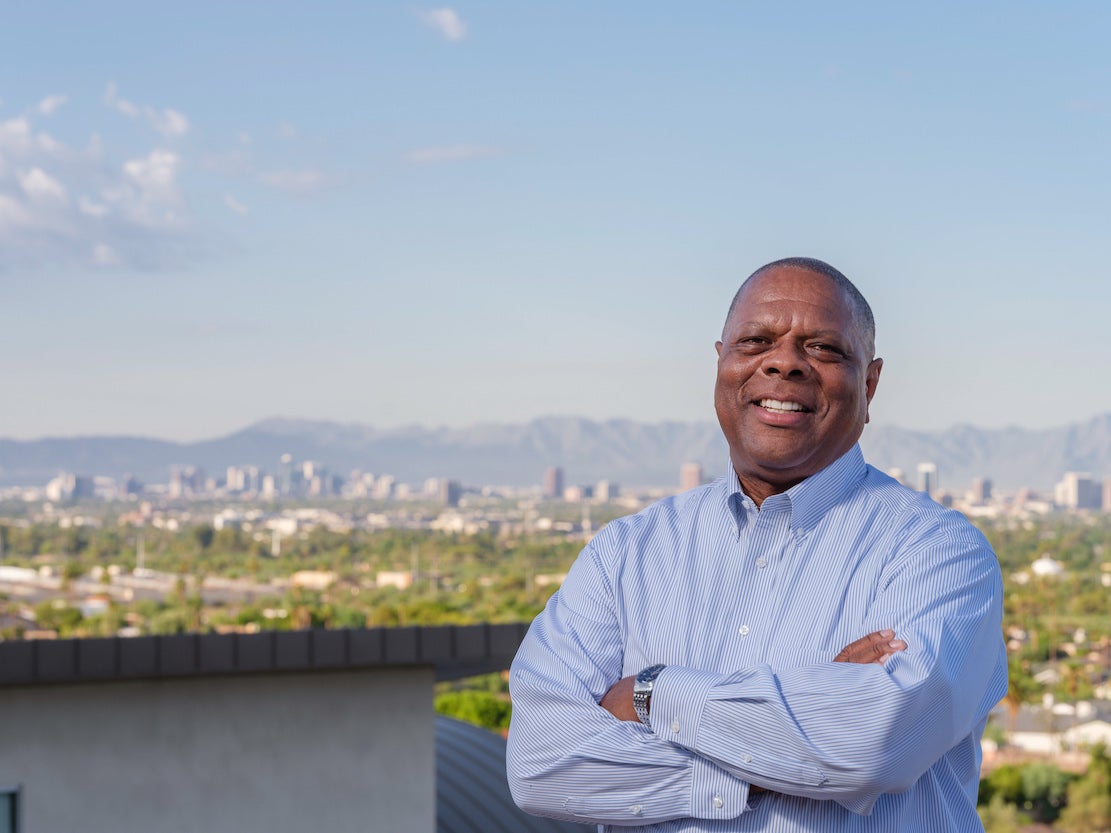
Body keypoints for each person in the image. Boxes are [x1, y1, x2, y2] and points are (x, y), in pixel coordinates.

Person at [506, 257, 1007, 832]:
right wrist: (793, 736)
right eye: (757, 340)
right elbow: (541, 765)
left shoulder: (938, 554)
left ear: (869, 384)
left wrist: (652, 693)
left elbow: (873, 745)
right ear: (721, 361)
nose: (784, 362)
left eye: (822, 348)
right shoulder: (626, 554)